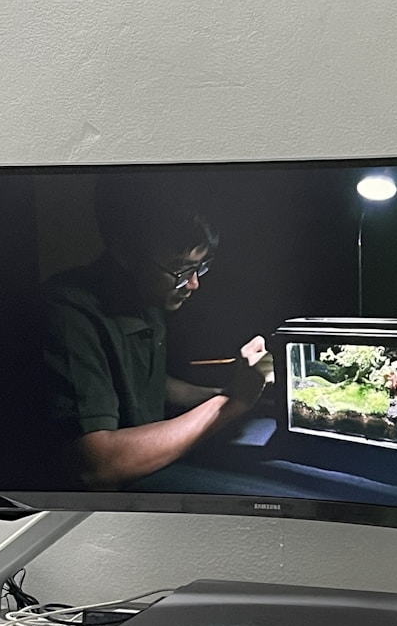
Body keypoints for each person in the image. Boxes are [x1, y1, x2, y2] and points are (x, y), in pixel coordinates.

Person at [43, 173, 271, 490]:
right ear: (125, 251)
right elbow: (97, 463)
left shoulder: (146, 295)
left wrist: (229, 392)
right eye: (180, 269)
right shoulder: (68, 312)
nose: (193, 284)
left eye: (200, 267)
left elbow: (151, 384)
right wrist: (229, 407)